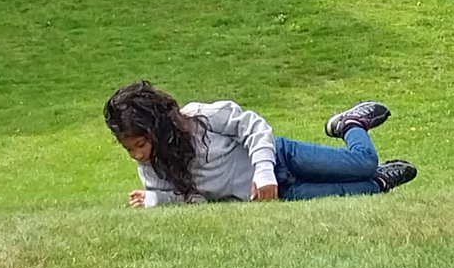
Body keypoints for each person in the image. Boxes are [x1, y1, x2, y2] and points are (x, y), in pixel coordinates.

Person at [104, 83, 417, 205]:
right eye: (129, 149)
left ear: (157, 127)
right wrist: (156, 200)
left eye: (141, 144)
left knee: (364, 164)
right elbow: (195, 203)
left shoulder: (199, 118)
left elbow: (253, 125)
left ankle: (350, 124)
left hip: (282, 158)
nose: (138, 155)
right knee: (366, 189)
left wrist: (264, 169)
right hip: (277, 195)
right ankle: (382, 181)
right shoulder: (153, 172)